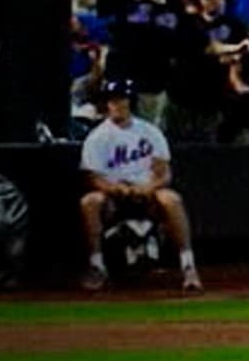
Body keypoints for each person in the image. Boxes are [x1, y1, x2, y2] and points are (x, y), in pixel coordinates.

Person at [78, 80, 199, 292]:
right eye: (113, 100)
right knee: (90, 201)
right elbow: (92, 177)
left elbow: (164, 172)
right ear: (107, 104)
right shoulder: (97, 137)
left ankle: (188, 265)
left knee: (171, 199)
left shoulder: (149, 131)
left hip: (147, 191)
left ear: (129, 102)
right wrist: (114, 188)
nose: (118, 104)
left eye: (122, 99)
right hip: (114, 194)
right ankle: (97, 265)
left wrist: (149, 187)